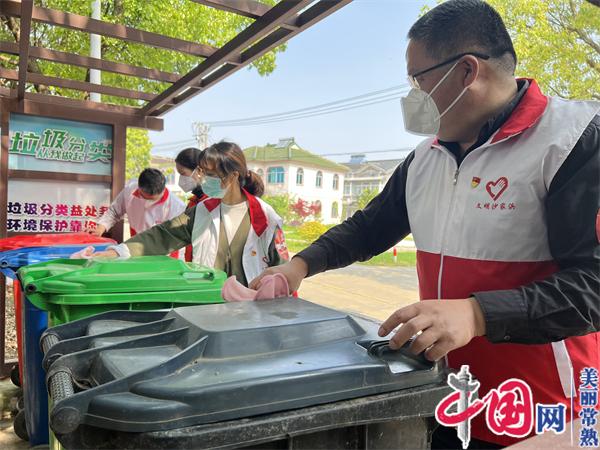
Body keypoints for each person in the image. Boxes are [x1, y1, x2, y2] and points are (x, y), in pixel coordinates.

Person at [250, 1, 600, 448]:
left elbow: (593, 285)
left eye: (418, 80)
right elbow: (368, 227)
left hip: (547, 410)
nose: (412, 96)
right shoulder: (425, 158)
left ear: (467, 72)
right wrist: (298, 266)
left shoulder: (571, 141)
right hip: (452, 394)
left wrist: (477, 313)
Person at [90, 142, 289, 287]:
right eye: (202, 172)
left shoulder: (266, 219)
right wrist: (118, 252)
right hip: (207, 306)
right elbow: (162, 235)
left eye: (210, 174)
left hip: (250, 315)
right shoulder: (201, 211)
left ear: (233, 176)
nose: (202, 179)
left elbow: (284, 275)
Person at [90, 168, 186, 239]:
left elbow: (178, 238)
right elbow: (114, 211)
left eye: (153, 200)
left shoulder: (177, 207)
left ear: (163, 189)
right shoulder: (130, 190)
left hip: (164, 246)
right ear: (139, 188)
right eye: (144, 197)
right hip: (136, 240)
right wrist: (100, 228)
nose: (148, 203)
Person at [175, 147, 208, 261]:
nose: (181, 179)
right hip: (193, 267)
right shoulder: (193, 202)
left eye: (183, 173)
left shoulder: (211, 202)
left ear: (199, 171)